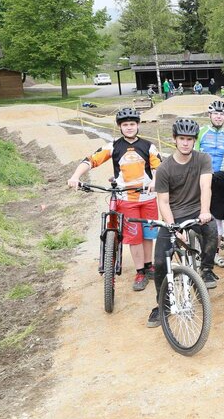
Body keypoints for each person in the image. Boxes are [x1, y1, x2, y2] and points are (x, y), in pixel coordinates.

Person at [67, 107, 161, 292]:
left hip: (148, 197)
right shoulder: (113, 146)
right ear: (120, 127)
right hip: (126, 199)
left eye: (132, 124)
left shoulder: (149, 146)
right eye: (125, 125)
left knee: (148, 235)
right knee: (134, 237)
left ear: (138, 125)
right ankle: (140, 271)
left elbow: (159, 166)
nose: (129, 127)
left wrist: (156, 182)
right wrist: (75, 176)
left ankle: (149, 266)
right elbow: (91, 160)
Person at [148, 118, 219, 328]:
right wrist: (172, 227)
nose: (186, 143)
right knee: (160, 261)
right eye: (182, 139)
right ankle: (163, 304)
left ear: (194, 140)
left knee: (212, 229)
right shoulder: (164, 169)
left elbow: (206, 187)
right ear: (175, 140)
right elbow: (163, 201)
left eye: (190, 139)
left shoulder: (203, 159)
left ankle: (206, 269)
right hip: (173, 215)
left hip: (198, 211)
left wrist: (205, 211)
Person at [197, 99, 224, 268]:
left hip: (219, 179)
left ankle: (214, 253)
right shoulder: (200, 132)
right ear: (209, 115)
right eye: (215, 113)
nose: (218, 116)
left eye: (222, 114)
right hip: (201, 176)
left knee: (218, 215)